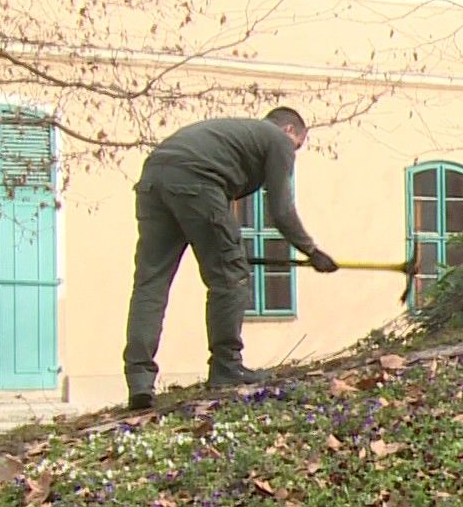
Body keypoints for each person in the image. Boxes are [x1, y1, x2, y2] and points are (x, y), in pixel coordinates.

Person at [122, 108, 338, 410]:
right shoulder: (277, 140)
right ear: (290, 130)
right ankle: (227, 366)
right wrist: (312, 251)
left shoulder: (236, 134)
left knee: (151, 284)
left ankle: (139, 381)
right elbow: (281, 210)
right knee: (230, 277)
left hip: (153, 177)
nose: (293, 153)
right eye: (298, 145)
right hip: (197, 183)